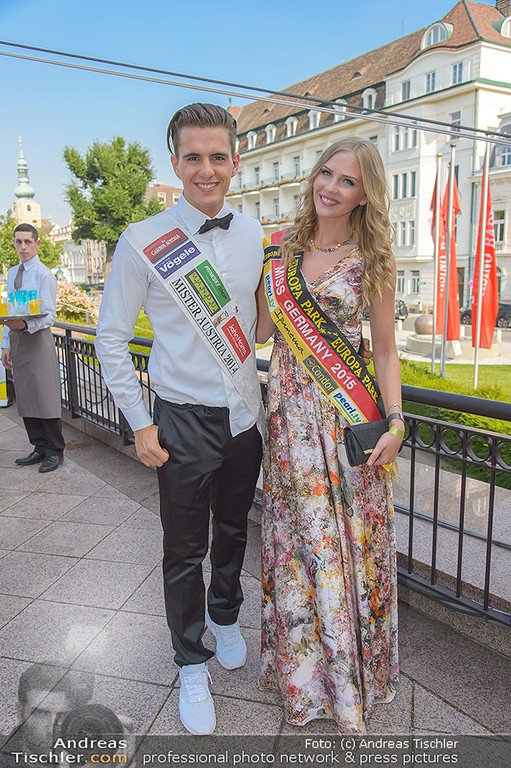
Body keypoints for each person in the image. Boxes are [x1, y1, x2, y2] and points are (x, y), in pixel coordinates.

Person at [94, 103, 265, 736]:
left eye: (217, 156)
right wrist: (140, 421)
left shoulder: (254, 234)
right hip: (181, 420)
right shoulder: (143, 240)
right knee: (184, 549)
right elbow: (111, 337)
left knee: (235, 532)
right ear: (176, 163)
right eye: (193, 157)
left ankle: (225, 616)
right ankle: (191, 659)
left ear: (235, 162)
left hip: (244, 417)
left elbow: (256, 326)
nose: (206, 169)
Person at [256, 137, 403, 734]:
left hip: (346, 422)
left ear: (365, 195)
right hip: (288, 421)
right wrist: (263, 273)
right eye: (326, 173)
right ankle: (305, 679)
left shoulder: (372, 259)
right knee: (296, 545)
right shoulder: (282, 252)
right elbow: (262, 331)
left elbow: (386, 351)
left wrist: (396, 421)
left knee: (345, 545)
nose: (331, 187)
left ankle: (347, 685)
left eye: (347, 181)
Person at [1, 224, 65, 473]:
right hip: (18, 340)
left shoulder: (44, 275)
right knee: (26, 395)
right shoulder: (12, 273)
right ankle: (39, 446)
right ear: (14, 243)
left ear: (37, 243)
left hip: (37, 340)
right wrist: (5, 343)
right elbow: (9, 311)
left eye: (28, 241)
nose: (23, 246)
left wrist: (26, 324)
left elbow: (50, 315)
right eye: (19, 242)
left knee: (45, 395)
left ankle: (55, 450)